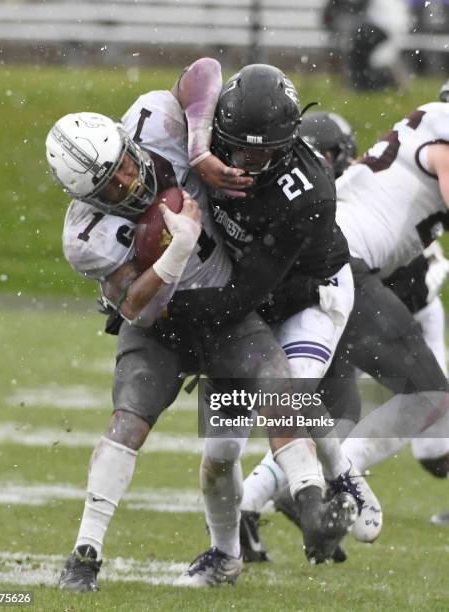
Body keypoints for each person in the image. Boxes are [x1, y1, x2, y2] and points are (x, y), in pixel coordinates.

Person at [45, 59, 357, 591]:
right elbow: (133, 307)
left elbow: (203, 71)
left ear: (128, 139)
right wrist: (175, 254)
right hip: (162, 325)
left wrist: (197, 153)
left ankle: (312, 504)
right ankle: (85, 553)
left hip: (227, 313)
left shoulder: (154, 120)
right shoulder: (85, 236)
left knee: (276, 392)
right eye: (110, 186)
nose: (127, 179)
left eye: (123, 163)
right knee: (130, 420)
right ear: (87, 200)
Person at [164, 64, 383, 562]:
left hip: (308, 294)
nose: (245, 161)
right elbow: (198, 75)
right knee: (220, 453)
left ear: (287, 144)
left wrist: (167, 312)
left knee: (287, 394)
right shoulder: (206, 136)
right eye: (237, 146)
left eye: (262, 153)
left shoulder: (307, 191)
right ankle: (227, 553)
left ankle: (324, 490)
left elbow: (246, 292)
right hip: (246, 296)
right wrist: (199, 148)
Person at [239, 107, 449, 561]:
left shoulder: (421, 127)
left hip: (321, 258)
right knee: (430, 396)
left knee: (332, 418)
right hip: (340, 264)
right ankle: (336, 482)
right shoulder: (442, 134)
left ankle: (248, 504)